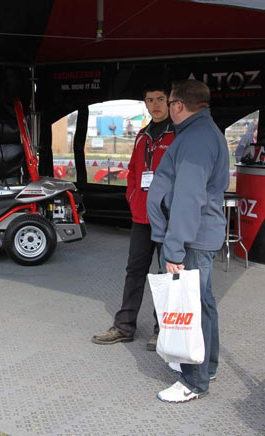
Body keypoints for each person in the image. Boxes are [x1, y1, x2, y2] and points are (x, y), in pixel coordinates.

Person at [147, 79, 229, 403]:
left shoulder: (195, 140)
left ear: (178, 106)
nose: (166, 108)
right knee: (204, 303)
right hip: (199, 236)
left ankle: (194, 382)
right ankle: (206, 366)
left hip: (192, 239)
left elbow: (187, 198)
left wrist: (174, 247)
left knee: (191, 308)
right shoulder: (205, 133)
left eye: (168, 103)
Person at [92, 85, 174, 349]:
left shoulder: (179, 134)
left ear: (170, 100)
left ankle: (163, 329)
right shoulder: (142, 135)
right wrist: (132, 198)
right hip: (141, 218)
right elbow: (133, 171)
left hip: (167, 219)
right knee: (134, 271)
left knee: (166, 275)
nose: (156, 105)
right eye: (150, 100)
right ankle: (124, 326)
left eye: (160, 99)